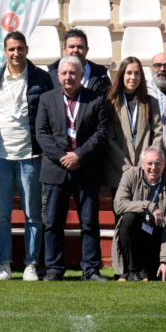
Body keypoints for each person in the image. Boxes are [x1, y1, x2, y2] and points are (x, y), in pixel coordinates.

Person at [37, 55, 111, 280]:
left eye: (73, 73)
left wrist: (79, 155)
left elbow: (102, 133)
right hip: (56, 169)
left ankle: (91, 269)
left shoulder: (96, 99)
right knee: (53, 222)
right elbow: (42, 133)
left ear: (81, 75)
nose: (68, 77)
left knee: (89, 222)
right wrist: (63, 157)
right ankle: (54, 269)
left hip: (86, 168)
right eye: (64, 73)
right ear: (58, 76)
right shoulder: (46, 99)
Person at [0, 30, 52, 281]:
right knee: (2, 215)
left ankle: (31, 264)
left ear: (27, 50)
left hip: (30, 155)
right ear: (5, 52)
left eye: (20, 48)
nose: (16, 53)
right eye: (11, 49)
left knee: (32, 214)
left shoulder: (41, 79)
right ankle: (4, 264)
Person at [112, 146, 166, 282]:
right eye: (149, 163)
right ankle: (131, 271)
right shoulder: (130, 175)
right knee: (129, 218)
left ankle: (149, 269)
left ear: (164, 165)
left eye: (158, 163)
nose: (153, 167)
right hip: (134, 235)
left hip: (156, 237)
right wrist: (149, 206)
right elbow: (119, 205)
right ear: (142, 164)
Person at [104, 56, 161, 184]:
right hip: (119, 169)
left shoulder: (150, 102)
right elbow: (109, 138)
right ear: (121, 75)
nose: (133, 77)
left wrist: (147, 161)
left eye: (137, 73)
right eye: (129, 73)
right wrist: (125, 166)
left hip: (145, 170)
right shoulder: (111, 103)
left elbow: (158, 133)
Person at [49, 27, 110, 99]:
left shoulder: (101, 74)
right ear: (65, 49)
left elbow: (106, 102)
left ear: (87, 50)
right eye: (71, 47)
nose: (75, 50)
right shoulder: (52, 74)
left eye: (80, 47)